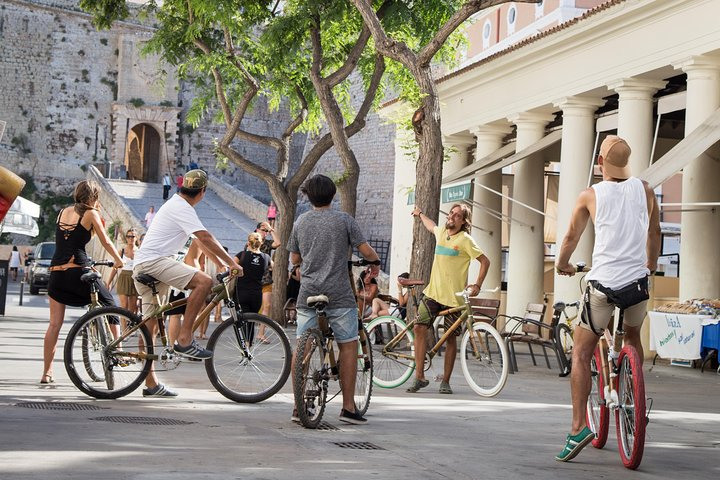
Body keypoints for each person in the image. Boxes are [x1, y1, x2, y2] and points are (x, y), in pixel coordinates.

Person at [554, 135, 661, 462]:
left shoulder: (590, 194)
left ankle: (577, 429)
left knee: (582, 352)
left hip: (604, 286)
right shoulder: (645, 189)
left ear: (601, 163)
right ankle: (633, 391)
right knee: (631, 335)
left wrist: (562, 264)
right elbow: (654, 234)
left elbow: (572, 235)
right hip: (638, 285)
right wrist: (651, 267)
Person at [288, 174, 381, 425]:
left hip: (308, 292)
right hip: (339, 293)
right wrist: (374, 262)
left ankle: (298, 406)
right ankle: (348, 407)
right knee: (349, 345)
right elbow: (366, 251)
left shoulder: (301, 222)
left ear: (308, 197)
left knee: (302, 346)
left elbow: (295, 259)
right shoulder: (344, 220)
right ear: (332, 195)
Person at [133, 169, 241, 366]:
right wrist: (232, 263)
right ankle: (185, 339)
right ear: (202, 192)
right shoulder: (182, 208)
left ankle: (150, 382)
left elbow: (200, 243)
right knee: (204, 282)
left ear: (182, 187)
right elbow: (205, 237)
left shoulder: (175, 204)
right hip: (154, 262)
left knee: (151, 326)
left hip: (146, 263)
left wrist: (220, 263)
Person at [41, 180, 123, 384]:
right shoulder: (90, 214)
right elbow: (106, 241)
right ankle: (119, 352)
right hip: (77, 274)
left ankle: (47, 373)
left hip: (56, 276)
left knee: (54, 324)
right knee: (110, 305)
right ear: (94, 197)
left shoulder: (62, 212)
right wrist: (118, 260)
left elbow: (66, 242)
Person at [408, 203, 491, 395]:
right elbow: (431, 226)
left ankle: (445, 381)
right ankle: (419, 376)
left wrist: (477, 285)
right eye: (451, 213)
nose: (451, 217)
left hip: (455, 299)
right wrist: (420, 213)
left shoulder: (465, 240)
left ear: (463, 221)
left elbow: (485, 261)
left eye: (456, 215)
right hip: (433, 293)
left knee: (451, 339)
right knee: (419, 328)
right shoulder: (442, 233)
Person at [233, 232, 272, 342]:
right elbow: (272, 267)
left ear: (248, 243)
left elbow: (232, 268)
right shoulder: (266, 257)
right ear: (261, 243)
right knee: (251, 322)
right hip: (256, 294)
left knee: (241, 321)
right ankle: (249, 345)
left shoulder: (242, 255)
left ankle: (243, 346)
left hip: (242, 293)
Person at [106, 228, 140, 315]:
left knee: (133, 308)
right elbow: (115, 268)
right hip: (123, 278)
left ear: (136, 238)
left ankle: (131, 327)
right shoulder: (122, 251)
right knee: (124, 306)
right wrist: (109, 283)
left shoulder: (140, 252)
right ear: (126, 238)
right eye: (128, 236)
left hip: (135, 279)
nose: (130, 238)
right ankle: (124, 328)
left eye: (132, 236)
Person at [256, 221, 280, 339]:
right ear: (256, 230)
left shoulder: (268, 243)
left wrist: (271, 229)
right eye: (262, 230)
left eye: (266, 231)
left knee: (267, 306)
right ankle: (247, 335)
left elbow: (278, 243)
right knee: (253, 308)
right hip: (254, 280)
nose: (264, 233)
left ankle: (261, 333)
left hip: (266, 280)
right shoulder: (251, 242)